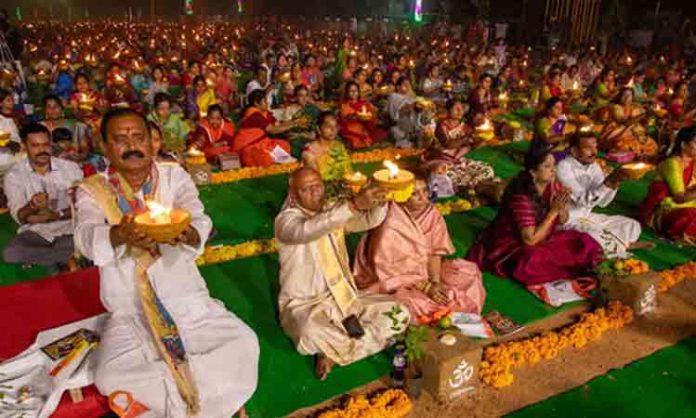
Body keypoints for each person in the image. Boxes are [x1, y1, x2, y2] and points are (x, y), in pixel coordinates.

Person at [74, 108, 259, 418]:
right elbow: (85, 238)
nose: (131, 145)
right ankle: (214, 402)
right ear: (105, 148)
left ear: (151, 142)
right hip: (130, 310)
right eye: (120, 139)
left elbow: (199, 217)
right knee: (110, 377)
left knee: (244, 343)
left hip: (188, 299)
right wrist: (120, 234)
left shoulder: (174, 175)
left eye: (138, 137)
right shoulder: (93, 191)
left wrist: (186, 233)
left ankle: (183, 404)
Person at [275, 167, 409, 380]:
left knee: (399, 314)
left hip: (346, 298)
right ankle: (359, 343)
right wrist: (354, 205)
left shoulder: (331, 211)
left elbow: (367, 221)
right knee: (307, 333)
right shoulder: (285, 222)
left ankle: (333, 353)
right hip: (306, 305)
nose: (315, 191)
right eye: (306, 189)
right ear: (293, 195)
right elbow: (308, 230)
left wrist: (381, 200)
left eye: (318, 185)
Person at [353, 172, 486, 323]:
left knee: (468, 274)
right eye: (415, 193)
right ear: (400, 195)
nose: (423, 198)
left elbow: (435, 252)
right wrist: (424, 287)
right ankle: (443, 315)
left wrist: (435, 282)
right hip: (393, 278)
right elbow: (386, 267)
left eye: (425, 191)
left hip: (424, 271)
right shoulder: (390, 220)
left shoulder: (432, 214)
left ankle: (452, 315)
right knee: (412, 304)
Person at [467, 145, 603, 285]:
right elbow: (529, 240)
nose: (553, 170)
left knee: (584, 241)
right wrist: (553, 212)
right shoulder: (521, 198)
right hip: (512, 246)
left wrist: (561, 206)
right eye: (547, 166)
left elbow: (563, 220)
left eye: (554, 165)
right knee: (531, 260)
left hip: (544, 238)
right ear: (533, 173)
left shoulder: (553, 186)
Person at [557, 133, 649, 258]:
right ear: (574, 151)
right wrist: (608, 182)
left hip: (588, 216)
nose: (594, 152)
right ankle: (622, 245)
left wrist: (615, 183)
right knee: (595, 235)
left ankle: (618, 244)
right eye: (588, 148)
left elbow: (603, 203)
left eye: (595, 147)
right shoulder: (563, 167)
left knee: (632, 225)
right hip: (568, 220)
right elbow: (584, 201)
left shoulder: (594, 166)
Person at [3, 123, 82, 269]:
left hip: (69, 228)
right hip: (36, 232)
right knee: (11, 253)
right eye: (35, 145)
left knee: (82, 239)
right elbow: (21, 216)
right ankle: (64, 259)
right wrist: (32, 206)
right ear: (24, 147)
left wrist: (56, 215)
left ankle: (53, 260)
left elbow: (81, 206)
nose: (42, 150)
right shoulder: (14, 176)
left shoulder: (70, 169)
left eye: (46, 145)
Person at [424, 99, 496, 193]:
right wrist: (466, 138)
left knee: (487, 170)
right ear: (448, 111)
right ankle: (469, 186)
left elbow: (473, 145)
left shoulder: (465, 126)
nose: (460, 111)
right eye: (456, 109)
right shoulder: (441, 126)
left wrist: (482, 140)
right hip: (444, 160)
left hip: (460, 160)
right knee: (447, 177)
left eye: (461, 108)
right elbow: (448, 145)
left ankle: (471, 186)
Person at [640, 126, 696, 244]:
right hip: (664, 210)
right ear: (683, 145)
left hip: (687, 205)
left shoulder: (693, 163)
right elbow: (679, 198)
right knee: (690, 215)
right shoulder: (673, 163)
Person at [233, 89, 296, 167]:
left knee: (284, 144)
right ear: (256, 103)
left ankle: (278, 159)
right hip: (247, 147)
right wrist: (293, 125)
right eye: (265, 101)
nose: (268, 103)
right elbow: (273, 130)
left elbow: (278, 124)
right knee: (264, 157)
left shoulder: (263, 113)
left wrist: (295, 122)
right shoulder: (254, 116)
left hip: (261, 143)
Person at [599, 87, 658, 157]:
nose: (627, 98)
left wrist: (648, 116)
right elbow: (624, 122)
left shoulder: (635, 106)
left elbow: (643, 121)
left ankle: (637, 153)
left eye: (629, 95)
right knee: (620, 144)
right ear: (620, 96)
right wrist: (643, 115)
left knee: (650, 143)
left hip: (633, 132)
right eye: (624, 95)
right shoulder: (615, 107)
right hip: (618, 132)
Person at [301, 111, 352, 186]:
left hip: (342, 185)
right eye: (328, 126)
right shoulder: (309, 153)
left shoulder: (338, 145)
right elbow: (317, 182)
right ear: (318, 129)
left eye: (335, 126)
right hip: (321, 189)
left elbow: (348, 171)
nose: (333, 130)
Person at [40, 95, 92, 163]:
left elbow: (85, 148)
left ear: (62, 109)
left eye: (56, 106)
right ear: (45, 111)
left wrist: (80, 157)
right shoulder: (39, 128)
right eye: (49, 107)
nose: (53, 109)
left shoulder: (77, 126)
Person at [339, 81, 387, 149]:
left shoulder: (364, 103)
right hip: (352, 128)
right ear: (347, 93)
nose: (354, 93)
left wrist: (372, 114)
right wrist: (355, 116)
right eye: (351, 91)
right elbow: (345, 117)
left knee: (381, 133)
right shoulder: (345, 105)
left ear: (358, 92)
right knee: (352, 141)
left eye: (355, 91)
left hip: (364, 127)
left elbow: (373, 111)